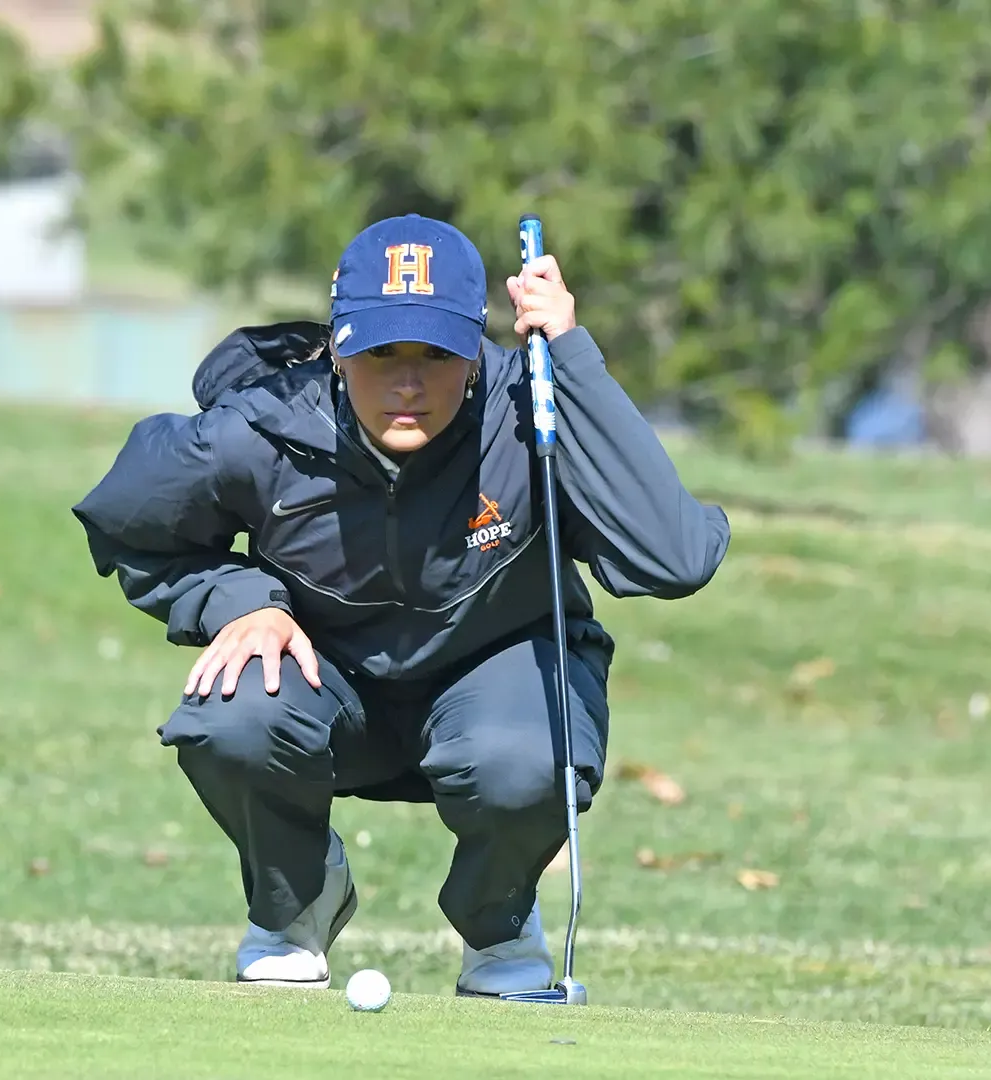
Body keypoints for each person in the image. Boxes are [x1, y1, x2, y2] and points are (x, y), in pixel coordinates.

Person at [72, 213, 730, 996]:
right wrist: (241, 598)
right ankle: (299, 902)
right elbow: (127, 523)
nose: (408, 381)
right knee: (232, 711)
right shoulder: (263, 428)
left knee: (524, 760)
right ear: (340, 348)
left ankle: (500, 926)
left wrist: (572, 359)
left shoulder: (532, 412)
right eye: (382, 353)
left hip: (497, 692)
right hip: (329, 690)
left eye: (436, 354)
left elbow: (676, 557)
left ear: (475, 351)